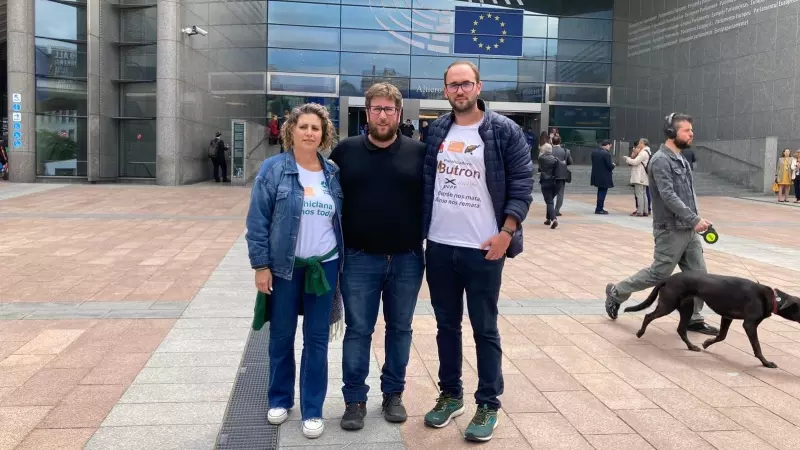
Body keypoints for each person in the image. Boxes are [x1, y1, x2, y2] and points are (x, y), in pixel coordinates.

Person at [421, 61, 533, 442]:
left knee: (484, 327)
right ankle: (450, 395)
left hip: (483, 249)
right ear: (445, 90)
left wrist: (507, 232)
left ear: (478, 86)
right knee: (445, 326)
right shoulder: (436, 129)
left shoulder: (503, 130)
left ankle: (488, 403)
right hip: (439, 246)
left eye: (465, 84)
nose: (459, 91)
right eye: (452, 85)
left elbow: (521, 184)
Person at [330, 83, 426, 430]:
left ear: (399, 114)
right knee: (358, 330)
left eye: (389, 109)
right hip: (359, 259)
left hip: (408, 259)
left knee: (400, 329)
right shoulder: (344, 153)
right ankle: (354, 399)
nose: (382, 115)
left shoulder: (419, 152)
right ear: (366, 113)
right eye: (376, 109)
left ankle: (393, 394)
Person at [246, 103, 344, 439]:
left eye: (315, 128)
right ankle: (279, 399)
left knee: (317, 340)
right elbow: (257, 221)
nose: (309, 133)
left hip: (324, 267)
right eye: (303, 126)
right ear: (291, 130)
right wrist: (261, 266)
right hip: (285, 268)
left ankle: (313, 409)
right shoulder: (273, 170)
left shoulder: (331, 172)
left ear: (323, 133)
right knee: (282, 335)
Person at [605, 112, 719, 336]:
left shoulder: (682, 159)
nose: (691, 133)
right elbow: (668, 195)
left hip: (689, 229)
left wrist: (697, 218)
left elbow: (688, 194)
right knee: (659, 274)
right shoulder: (660, 160)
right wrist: (694, 218)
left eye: (691, 130)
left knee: (699, 276)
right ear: (671, 132)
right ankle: (617, 292)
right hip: (670, 230)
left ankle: (694, 318)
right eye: (686, 130)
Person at [624, 138, 650, 217]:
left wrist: (627, 159)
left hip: (639, 175)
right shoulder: (647, 151)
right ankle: (645, 210)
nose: (638, 144)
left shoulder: (643, 153)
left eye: (639, 143)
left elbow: (635, 162)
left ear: (642, 143)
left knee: (639, 194)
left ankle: (640, 211)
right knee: (644, 193)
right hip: (643, 175)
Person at [538, 143, 559, 229]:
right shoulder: (555, 159)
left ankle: (554, 219)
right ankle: (548, 219)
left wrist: (541, 151)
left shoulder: (541, 158)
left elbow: (540, 164)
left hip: (546, 182)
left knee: (549, 201)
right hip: (555, 183)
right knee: (550, 200)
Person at [550, 134, 572, 216]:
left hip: (550, 174)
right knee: (560, 193)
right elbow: (570, 162)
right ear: (560, 141)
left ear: (552, 142)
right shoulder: (566, 151)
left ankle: (550, 209)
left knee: (550, 193)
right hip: (561, 174)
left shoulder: (549, 150)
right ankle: (557, 210)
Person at [590, 140, 614, 214]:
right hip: (604, 177)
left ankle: (599, 207)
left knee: (600, 191)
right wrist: (613, 165)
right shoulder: (606, 154)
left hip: (596, 175)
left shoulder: (594, 152)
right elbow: (609, 166)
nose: (610, 147)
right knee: (602, 192)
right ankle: (599, 208)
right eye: (610, 146)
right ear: (607, 145)